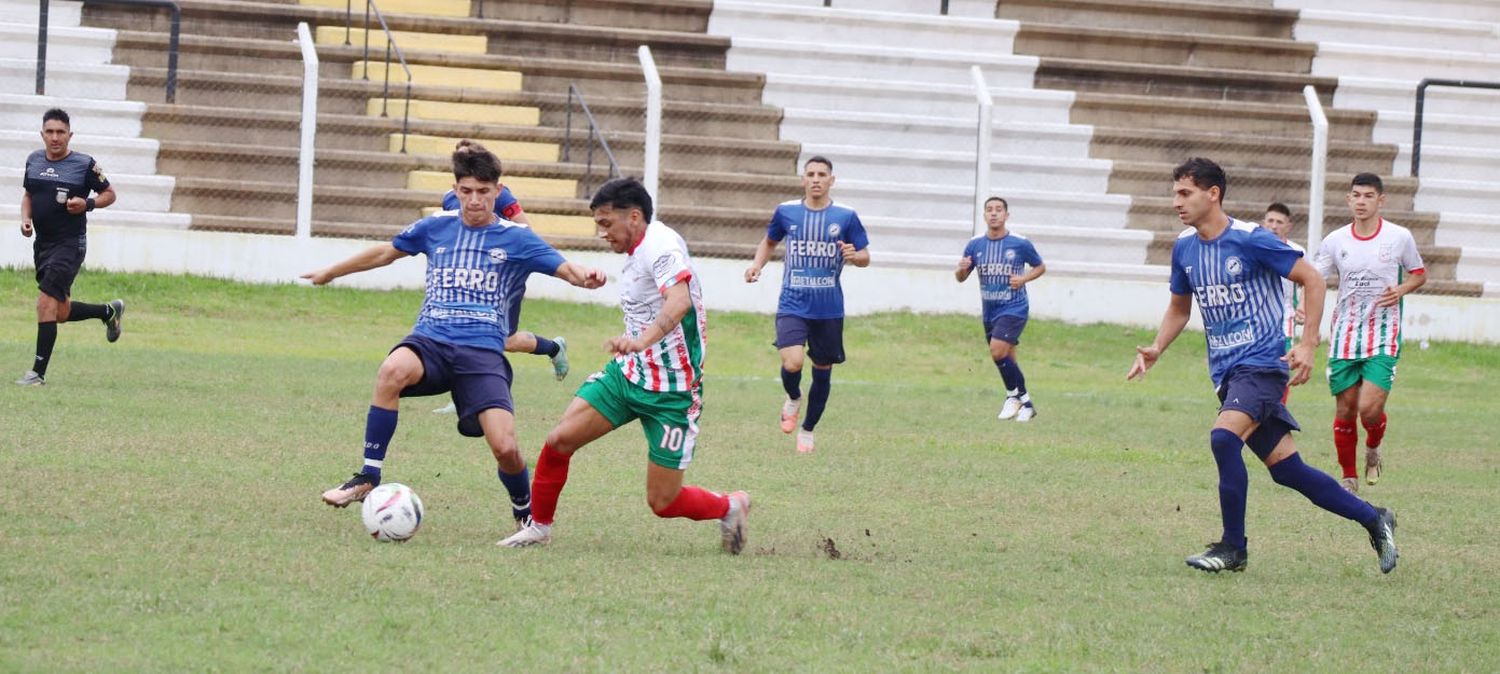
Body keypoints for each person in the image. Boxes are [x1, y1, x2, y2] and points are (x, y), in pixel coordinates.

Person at [304, 146, 606, 535]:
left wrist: (586, 277)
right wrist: (331, 271)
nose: (475, 200)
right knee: (392, 370)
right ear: (455, 189)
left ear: (498, 191)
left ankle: (524, 511)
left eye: (483, 191)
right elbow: (385, 252)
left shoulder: (517, 238)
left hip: (482, 353)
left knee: (506, 448)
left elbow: (564, 267)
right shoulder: (435, 227)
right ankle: (367, 476)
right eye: (467, 191)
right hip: (431, 340)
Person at [1127, 158, 1397, 574]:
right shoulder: (1184, 247)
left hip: (1263, 366)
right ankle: (1373, 517)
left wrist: (1308, 344)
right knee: (1288, 470)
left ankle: (1233, 548)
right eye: (1175, 193)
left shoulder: (1253, 239)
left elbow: (1312, 278)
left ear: (1212, 193)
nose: (1176, 201)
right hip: (1227, 373)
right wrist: (1157, 347)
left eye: (1185, 193)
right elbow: (1180, 308)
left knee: (1223, 438)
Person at [499, 177, 751, 554]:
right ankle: (539, 528)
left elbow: (678, 300)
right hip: (628, 374)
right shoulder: (638, 249)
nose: (602, 233)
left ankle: (729, 505)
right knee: (558, 442)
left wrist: (640, 341)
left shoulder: (661, 246)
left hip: (672, 391)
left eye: (606, 223)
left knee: (662, 502)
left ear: (634, 217)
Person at [430, 140, 568, 416]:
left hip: (501, 281)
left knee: (500, 338)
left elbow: (525, 231)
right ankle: (462, 395)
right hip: (467, 280)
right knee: (467, 329)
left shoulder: (500, 196)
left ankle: (553, 348)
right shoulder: (451, 197)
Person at [743, 156, 871, 453]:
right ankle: (793, 397)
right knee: (793, 362)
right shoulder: (786, 212)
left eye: (821, 174)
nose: (816, 179)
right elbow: (769, 241)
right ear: (804, 179)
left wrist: (855, 256)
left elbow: (865, 256)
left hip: (828, 309)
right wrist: (757, 265)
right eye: (810, 174)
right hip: (792, 303)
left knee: (822, 368)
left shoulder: (846, 216)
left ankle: (808, 429)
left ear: (831, 180)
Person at [1313, 173, 1426, 492]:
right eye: (1356, 195)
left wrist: (1401, 289)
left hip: (1382, 336)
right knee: (1346, 409)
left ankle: (1373, 448)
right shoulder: (1335, 241)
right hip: (1344, 337)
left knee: (1369, 409)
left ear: (1381, 200)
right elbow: (1315, 280)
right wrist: (1310, 319)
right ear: (1348, 199)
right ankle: (1349, 478)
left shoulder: (1399, 237)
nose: (1361, 201)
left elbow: (1419, 273)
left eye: (1368, 196)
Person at [16, 108, 123, 386]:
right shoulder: (33, 161)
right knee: (59, 312)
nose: (55, 137)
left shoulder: (84, 164)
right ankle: (107, 311)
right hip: (43, 245)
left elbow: (110, 194)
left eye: (60, 132)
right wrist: (26, 219)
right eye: (50, 132)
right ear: (42, 134)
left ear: (69, 135)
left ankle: (37, 373)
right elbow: (28, 195)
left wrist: (86, 204)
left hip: (70, 245)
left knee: (44, 303)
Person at [955, 196, 1046, 421]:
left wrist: (1023, 279)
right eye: (989, 210)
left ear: (1006, 215)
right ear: (984, 215)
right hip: (990, 310)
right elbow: (961, 278)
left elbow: (1040, 266)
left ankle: (1011, 396)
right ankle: (1026, 403)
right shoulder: (975, 244)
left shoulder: (1020, 243)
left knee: (997, 350)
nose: (994, 213)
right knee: (1006, 357)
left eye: (998, 210)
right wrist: (961, 269)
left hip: (1014, 307)